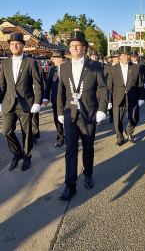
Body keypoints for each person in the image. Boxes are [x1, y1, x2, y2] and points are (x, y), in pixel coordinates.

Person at [56, 30, 108, 201]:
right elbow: (60, 93)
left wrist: (102, 109)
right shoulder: (63, 67)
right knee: (70, 150)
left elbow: (102, 88)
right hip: (70, 114)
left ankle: (88, 173)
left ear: (84, 48)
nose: (75, 48)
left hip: (89, 112)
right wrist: (59, 112)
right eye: (72, 45)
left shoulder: (95, 66)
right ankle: (70, 185)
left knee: (88, 147)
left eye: (78, 45)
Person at [0, 32, 43, 172]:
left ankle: (27, 156)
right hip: (8, 102)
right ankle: (17, 153)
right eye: (12, 44)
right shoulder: (4, 63)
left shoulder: (31, 62)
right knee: (6, 131)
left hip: (26, 103)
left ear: (23, 45)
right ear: (9, 46)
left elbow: (38, 83)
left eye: (18, 43)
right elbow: (2, 85)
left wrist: (37, 101)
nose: (15, 46)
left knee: (27, 132)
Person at [107, 46, 145, 145]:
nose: (126, 57)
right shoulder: (112, 69)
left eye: (128, 55)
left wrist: (141, 97)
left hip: (133, 96)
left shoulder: (135, 67)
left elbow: (140, 84)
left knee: (134, 117)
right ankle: (120, 137)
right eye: (124, 55)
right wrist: (109, 100)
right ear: (119, 57)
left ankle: (129, 132)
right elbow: (109, 86)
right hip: (117, 97)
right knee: (117, 119)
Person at [43, 50, 67, 147]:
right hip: (56, 98)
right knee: (57, 119)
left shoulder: (70, 68)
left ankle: (71, 135)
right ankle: (60, 138)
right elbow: (48, 84)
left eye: (55, 58)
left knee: (69, 119)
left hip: (68, 99)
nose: (53, 60)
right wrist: (45, 97)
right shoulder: (53, 69)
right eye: (53, 58)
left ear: (61, 59)